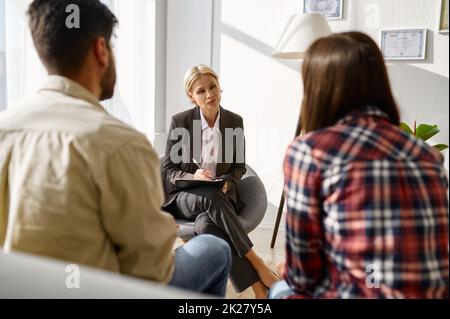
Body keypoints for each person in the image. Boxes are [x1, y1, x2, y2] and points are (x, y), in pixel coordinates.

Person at [0, 0, 231, 297]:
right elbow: (151, 270)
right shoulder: (121, 143)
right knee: (214, 248)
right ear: (101, 50)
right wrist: (162, 228)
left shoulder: (5, 128)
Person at [270, 32, 449, 299]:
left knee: (281, 289)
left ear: (317, 88)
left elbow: (303, 276)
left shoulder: (310, 152)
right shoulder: (427, 156)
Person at [162, 65, 279, 299]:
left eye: (212, 86)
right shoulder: (181, 122)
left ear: (219, 86)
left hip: (220, 197)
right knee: (210, 197)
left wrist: (226, 181)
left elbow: (239, 167)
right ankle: (258, 264)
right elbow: (169, 170)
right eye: (201, 91)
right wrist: (194, 176)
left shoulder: (234, 122)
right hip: (186, 197)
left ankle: (258, 289)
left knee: (207, 225)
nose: (209, 95)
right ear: (191, 97)